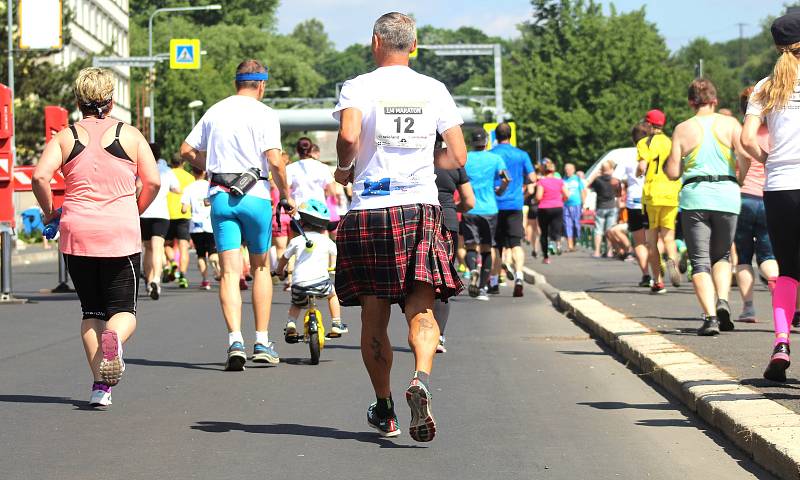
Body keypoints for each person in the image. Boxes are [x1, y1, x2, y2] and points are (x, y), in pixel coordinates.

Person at [332, 12, 466, 441]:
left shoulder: (358, 86)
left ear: (376, 42)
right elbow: (459, 154)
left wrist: (344, 167)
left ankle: (386, 407)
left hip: (371, 207)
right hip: (420, 208)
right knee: (421, 306)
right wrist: (427, 167)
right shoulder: (434, 89)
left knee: (375, 312)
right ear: (414, 44)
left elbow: (350, 136)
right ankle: (420, 378)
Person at [31, 67, 159, 407]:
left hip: (77, 231)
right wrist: (136, 207)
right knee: (123, 310)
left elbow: (41, 177)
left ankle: (100, 388)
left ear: (78, 102)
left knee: (91, 311)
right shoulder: (129, 135)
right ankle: (114, 340)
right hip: (119, 231)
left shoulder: (65, 137)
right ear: (111, 100)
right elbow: (153, 182)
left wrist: (49, 212)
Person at [180, 59, 293, 371]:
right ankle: (261, 341)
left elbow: (185, 150)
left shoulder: (215, 111)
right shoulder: (266, 114)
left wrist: (211, 162)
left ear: (236, 83)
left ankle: (234, 341)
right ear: (261, 85)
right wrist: (285, 194)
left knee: (230, 272)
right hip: (255, 196)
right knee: (259, 269)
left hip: (221, 197)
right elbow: (274, 159)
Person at [742, 12, 800, 381]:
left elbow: (747, 139)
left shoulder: (765, 86)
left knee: (789, 272)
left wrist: (770, 159)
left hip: (779, 186)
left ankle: (781, 342)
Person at [666, 78, 745, 336]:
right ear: (715, 100)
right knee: (721, 255)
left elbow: (673, 171)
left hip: (695, 198)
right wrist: (739, 178)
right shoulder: (731, 124)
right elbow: (744, 156)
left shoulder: (682, 129)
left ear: (691, 102)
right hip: (727, 195)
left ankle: (710, 317)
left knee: (700, 261)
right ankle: (723, 300)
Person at [734, 86, 778, 323]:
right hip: (769, 198)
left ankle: (748, 308)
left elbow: (738, 168)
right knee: (768, 253)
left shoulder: (742, 133)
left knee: (743, 256)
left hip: (744, 197)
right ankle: (775, 288)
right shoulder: (775, 132)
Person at [275, 200, 347, 339]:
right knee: (332, 295)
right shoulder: (326, 241)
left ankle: (291, 325)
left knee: (297, 303)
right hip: (321, 284)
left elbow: (284, 258)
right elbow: (339, 255)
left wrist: (279, 270)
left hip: (299, 285)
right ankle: (336, 323)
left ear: (302, 222)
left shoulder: (296, 241)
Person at [434, 141, 475, 352]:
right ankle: (439, 336)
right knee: (443, 279)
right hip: (448, 222)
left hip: (416, 220)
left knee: (417, 280)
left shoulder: (413, 157)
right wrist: (453, 207)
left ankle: (421, 330)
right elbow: (469, 201)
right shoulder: (453, 163)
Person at [461, 128, 509, 301]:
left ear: (472, 142)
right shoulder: (495, 159)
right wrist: (501, 191)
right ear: (487, 141)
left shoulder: (465, 159)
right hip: (490, 210)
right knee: (488, 248)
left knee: (470, 246)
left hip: (470, 208)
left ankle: (473, 268)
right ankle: (481, 287)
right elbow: (506, 178)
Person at [639, 109, 682, 294]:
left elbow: (642, 167)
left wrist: (638, 171)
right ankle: (672, 258)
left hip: (652, 195)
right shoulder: (670, 142)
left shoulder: (644, 142)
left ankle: (658, 281)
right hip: (671, 193)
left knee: (652, 241)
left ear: (649, 124)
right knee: (669, 237)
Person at [490, 122, 535, 298]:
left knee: (496, 246)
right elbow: (532, 177)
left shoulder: (491, 155)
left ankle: (494, 282)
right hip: (515, 204)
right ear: (510, 134)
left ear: (496, 136)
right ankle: (519, 277)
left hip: (495, 206)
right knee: (516, 244)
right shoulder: (522, 155)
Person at [612, 123, 653, 286]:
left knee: (640, 241)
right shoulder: (656, 151)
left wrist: (619, 191)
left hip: (634, 201)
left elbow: (615, 180)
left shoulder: (627, 155)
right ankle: (660, 267)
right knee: (657, 238)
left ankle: (646, 275)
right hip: (654, 198)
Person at [139, 143, 180, 300]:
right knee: (158, 248)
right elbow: (176, 189)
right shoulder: (167, 171)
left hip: (144, 214)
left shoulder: (141, 169)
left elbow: (137, 187)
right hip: (161, 215)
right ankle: (156, 279)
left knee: (147, 249)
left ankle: (149, 282)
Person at [181, 167, 220, 290]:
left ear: (193, 172)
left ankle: (205, 280)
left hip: (196, 226)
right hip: (210, 224)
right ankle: (217, 268)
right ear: (204, 172)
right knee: (213, 252)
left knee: (201, 255)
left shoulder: (189, 188)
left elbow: (184, 209)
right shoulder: (210, 186)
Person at [164, 157, 195, 288]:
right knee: (184, 247)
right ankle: (182, 275)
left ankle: (172, 261)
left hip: (168, 214)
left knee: (166, 245)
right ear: (184, 163)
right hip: (184, 215)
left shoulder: (166, 174)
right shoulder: (190, 178)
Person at [536, 159, 570, 264]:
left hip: (544, 208)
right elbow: (567, 195)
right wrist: (561, 200)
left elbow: (538, 196)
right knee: (557, 227)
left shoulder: (541, 181)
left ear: (544, 171)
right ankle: (558, 243)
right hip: (557, 207)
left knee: (544, 232)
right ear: (554, 171)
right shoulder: (559, 181)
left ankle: (546, 257)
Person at [287, 137, 336, 207]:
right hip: (319, 210)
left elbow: (285, 191)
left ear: (297, 151)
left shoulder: (290, 168)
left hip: (299, 210)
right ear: (311, 150)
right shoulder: (323, 167)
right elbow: (332, 191)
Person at [586, 161, 620, 258]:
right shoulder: (616, 180)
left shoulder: (598, 180)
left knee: (598, 230)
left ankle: (597, 251)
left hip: (601, 207)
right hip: (612, 206)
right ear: (611, 169)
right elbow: (619, 194)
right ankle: (609, 252)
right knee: (609, 231)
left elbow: (588, 186)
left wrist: (595, 175)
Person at [562, 163, 586, 253]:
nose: (567, 171)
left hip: (577, 204)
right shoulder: (563, 180)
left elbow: (583, 191)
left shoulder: (577, 179)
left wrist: (583, 202)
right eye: (566, 169)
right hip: (566, 205)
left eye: (569, 169)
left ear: (573, 170)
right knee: (567, 224)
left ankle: (574, 242)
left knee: (576, 224)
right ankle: (570, 245)